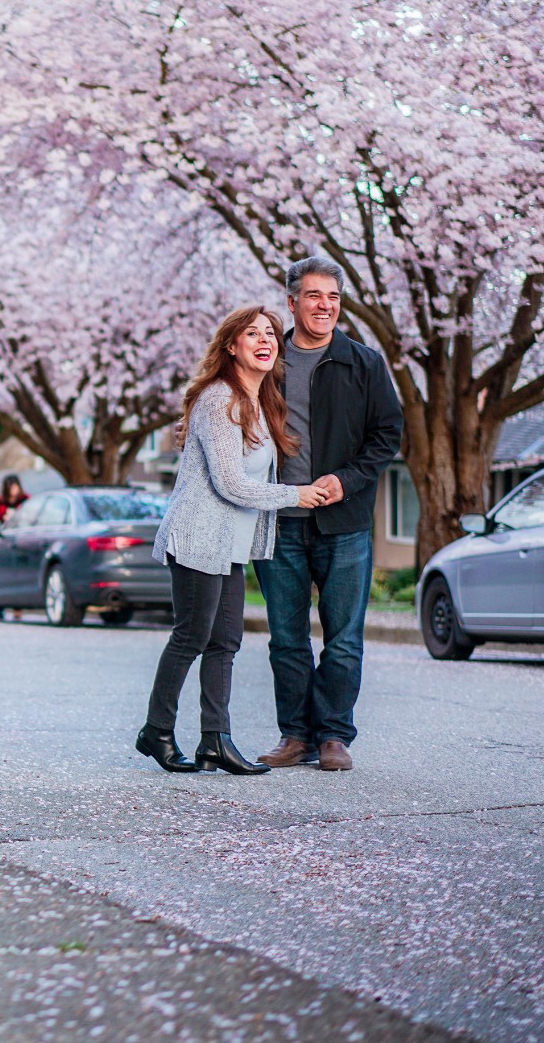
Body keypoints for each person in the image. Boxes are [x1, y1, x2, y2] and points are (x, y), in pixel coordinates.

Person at [138, 305, 330, 776]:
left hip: (230, 543)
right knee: (192, 636)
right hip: (198, 535)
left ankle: (215, 740)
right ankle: (156, 732)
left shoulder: (261, 403)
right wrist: (296, 496)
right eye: (252, 333)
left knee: (225, 640)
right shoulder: (218, 399)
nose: (265, 340)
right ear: (231, 346)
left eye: (270, 333)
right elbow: (230, 484)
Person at [254, 257, 403, 773]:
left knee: (343, 636)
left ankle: (334, 736)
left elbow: (387, 436)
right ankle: (295, 734)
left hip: (344, 522)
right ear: (291, 301)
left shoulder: (363, 363)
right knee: (287, 637)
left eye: (333, 297)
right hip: (279, 520)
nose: (325, 306)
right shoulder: (267, 364)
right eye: (314, 296)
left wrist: (345, 480)